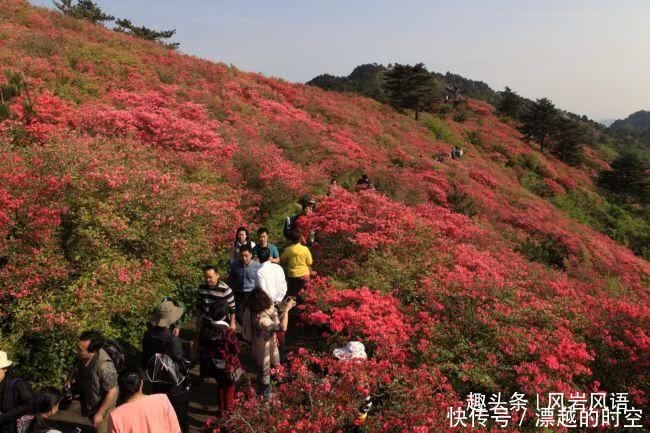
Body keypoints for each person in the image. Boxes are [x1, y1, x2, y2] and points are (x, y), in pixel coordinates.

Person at [141, 301, 190, 433]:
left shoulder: (148, 334)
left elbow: (145, 357)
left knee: (159, 414)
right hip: (172, 383)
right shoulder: (172, 339)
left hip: (154, 380)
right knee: (179, 416)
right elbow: (179, 361)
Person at [241, 289, 296, 399]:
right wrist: (286, 311)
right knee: (265, 368)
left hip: (257, 344)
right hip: (264, 346)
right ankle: (266, 394)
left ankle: (263, 387)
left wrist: (283, 305)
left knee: (262, 367)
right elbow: (282, 327)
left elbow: (273, 310)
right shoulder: (262, 320)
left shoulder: (250, 309)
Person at [199, 303, 241, 417]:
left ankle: (221, 410)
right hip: (226, 365)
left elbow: (202, 344)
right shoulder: (228, 331)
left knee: (220, 386)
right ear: (225, 315)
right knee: (229, 387)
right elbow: (236, 349)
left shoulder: (206, 329)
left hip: (212, 363)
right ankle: (228, 412)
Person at [107, 369, 180, 433]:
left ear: (120, 387)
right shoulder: (162, 400)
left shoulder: (115, 416)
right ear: (141, 383)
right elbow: (176, 430)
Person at [71, 331, 118, 433]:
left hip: (104, 407)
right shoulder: (81, 357)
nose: (76, 351)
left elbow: (112, 391)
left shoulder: (104, 366)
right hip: (91, 402)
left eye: (80, 350)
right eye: (77, 347)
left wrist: (100, 413)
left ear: (92, 351)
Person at [0, 351, 34, 433]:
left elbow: (29, 404)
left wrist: (6, 416)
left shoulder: (16, 384)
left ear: (5, 369)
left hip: (11, 428)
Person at [228, 245, 261, 323]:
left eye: (246, 256)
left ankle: (248, 332)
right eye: (242, 256)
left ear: (251, 255)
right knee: (239, 315)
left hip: (251, 293)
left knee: (252, 314)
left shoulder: (257, 266)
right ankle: (244, 329)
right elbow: (231, 278)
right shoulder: (234, 265)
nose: (244, 258)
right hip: (238, 293)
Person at [280, 229, 313, 298]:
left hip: (292, 275)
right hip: (304, 274)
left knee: (292, 293)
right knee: (304, 294)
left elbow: (282, 260)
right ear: (300, 238)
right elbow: (310, 262)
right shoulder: (305, 249)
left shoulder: (288, 249)